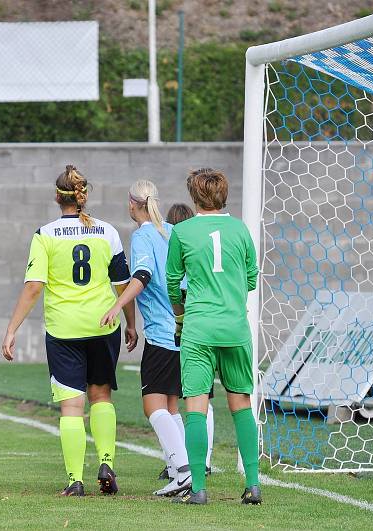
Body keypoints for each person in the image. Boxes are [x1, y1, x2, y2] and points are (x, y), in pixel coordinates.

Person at [2, 165, 137, 497]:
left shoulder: (45, 234)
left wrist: (11, 329)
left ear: (57, 197)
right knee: (102, 396)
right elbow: (122, 285)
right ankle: (106, 462)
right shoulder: (107, 231)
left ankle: (75, 480)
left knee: (72, 407)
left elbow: (34, 287)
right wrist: (131, 323)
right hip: (103, 325)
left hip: (64, 330)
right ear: (83, 195)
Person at [166, 168, 261, 505]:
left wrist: (180, 316)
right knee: (241, 403)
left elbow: (173, 283)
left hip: (199, 329)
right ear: (224, 195)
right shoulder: (240, 229)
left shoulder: (182, 231)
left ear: (194, 197)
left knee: (196, 406)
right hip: (235, 327)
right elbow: (251, 279)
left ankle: (198, 490)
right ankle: (252, 485)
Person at [100, 181, 191, 497]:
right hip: (186, 328)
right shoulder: (170, 229)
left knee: (152, 405)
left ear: (132, 203)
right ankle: (182, 467)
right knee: (170, 404)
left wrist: (117, 305)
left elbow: (142, 276)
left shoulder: (142, 236)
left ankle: (182, 471)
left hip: (164, 333)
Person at [166, 203, 216, 479]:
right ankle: (203, 461)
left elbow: (173, 284)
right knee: (207, 397)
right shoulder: (209, 244)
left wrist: (178, 311)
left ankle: (186, 464)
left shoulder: (178, 240)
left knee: (183, 401)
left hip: (186, 331)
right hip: (213, 326)